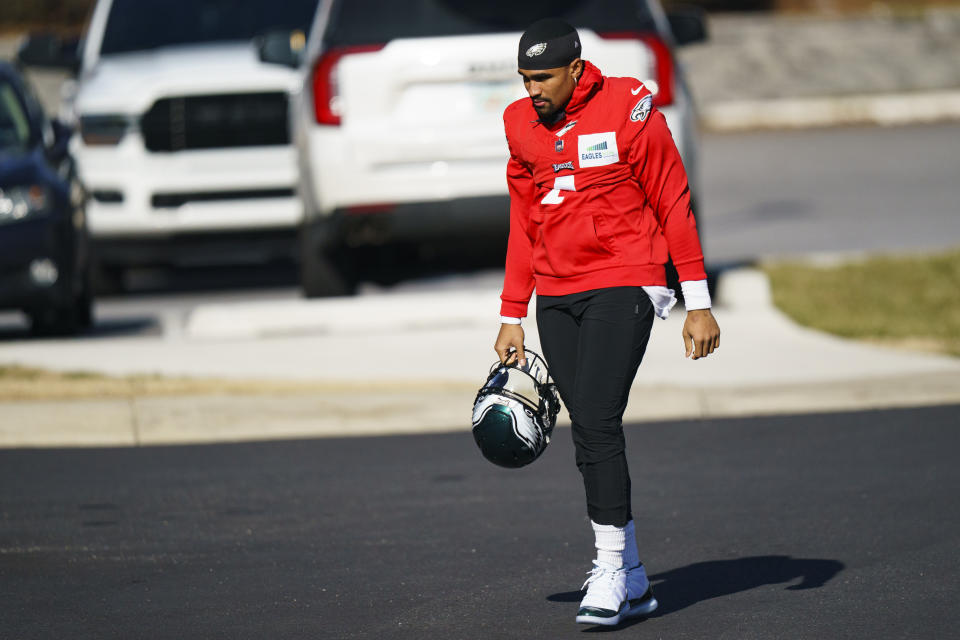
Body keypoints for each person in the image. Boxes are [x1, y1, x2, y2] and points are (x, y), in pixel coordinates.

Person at [493, 18, 721, 626]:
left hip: (627, 277)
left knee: (595, 419)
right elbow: (523, 219)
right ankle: (638, 579)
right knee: (589, 431)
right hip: (556, 292)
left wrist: (696, 301)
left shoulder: (629, 105)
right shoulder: (519, 123)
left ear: (575, 69)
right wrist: (512, 311)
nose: (532, 89)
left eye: (542, 77)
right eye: (524, 78)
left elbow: (672, 197)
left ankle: (610, 569)